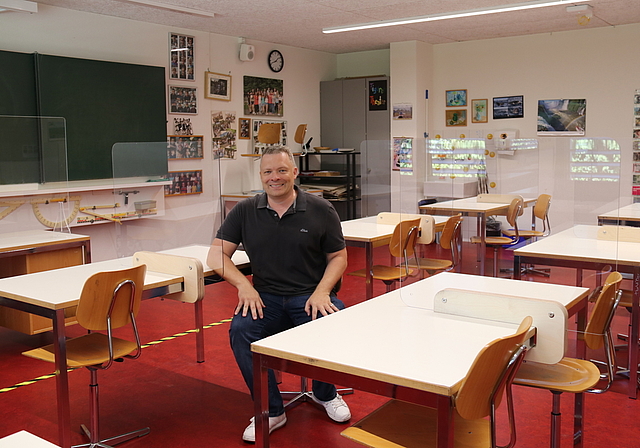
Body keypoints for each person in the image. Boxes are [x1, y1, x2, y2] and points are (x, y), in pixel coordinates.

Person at [207, 146, 350, 442]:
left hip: (309, 296)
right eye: (268, 172)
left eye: (282, 170)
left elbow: (339, 257)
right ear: (260, 176)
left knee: (334, 321)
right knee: (241, 330)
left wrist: (323, 291)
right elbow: (216, 255)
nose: (275, 177)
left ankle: (325, 393)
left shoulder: (321, 209)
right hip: (265, 298)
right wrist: (244, 286)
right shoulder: (246, 210)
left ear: (294, 173)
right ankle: (271, 410)